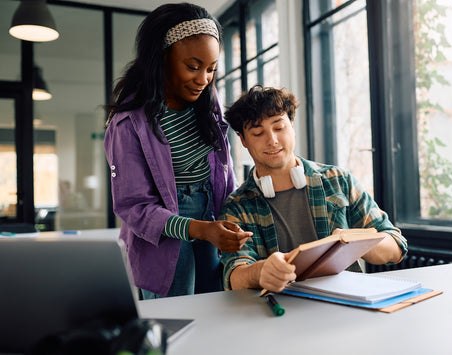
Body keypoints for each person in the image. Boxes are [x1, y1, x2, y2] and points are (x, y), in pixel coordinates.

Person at [104, 3, 252, 298]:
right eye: (193, 67)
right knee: (177, 321)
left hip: (212, 215)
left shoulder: (207, 101)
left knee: (217, 307)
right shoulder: (128, 124)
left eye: (211, 69)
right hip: (166, 232)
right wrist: (200, 229)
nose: (203, 79)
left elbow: (224, 167)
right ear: (162, 57)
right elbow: (134, 207)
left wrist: (233, 213)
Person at [219, 85, 408, 293]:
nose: (272, 140)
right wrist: (261, 271)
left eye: (279, 128)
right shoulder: (237, 207)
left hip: (346, 308)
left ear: (291, 125)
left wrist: (355, 241)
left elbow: (396, 246)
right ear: (243, 140)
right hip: (279, 315)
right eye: (257, 133)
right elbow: (234, 275)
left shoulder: (338, 180)